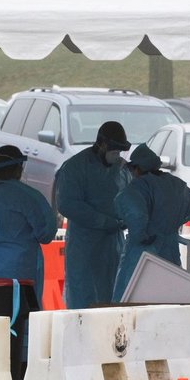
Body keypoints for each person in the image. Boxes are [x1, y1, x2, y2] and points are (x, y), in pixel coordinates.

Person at [111, 143, 190, 301]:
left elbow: (135, 213)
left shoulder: (138, 187)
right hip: (170, 255)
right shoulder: (177, 187)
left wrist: (140, 235)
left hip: (142, 255)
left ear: (137, 169)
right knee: (170, 302)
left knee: (132, 303)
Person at [0, 145, 57, 300]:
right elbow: (46, 233)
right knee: (19, 315)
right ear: (19, 168)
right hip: (18, 270)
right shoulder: (29, 197)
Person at [55, 121, 132, 308]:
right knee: (83, 296)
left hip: (113, 243)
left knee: (112, 294)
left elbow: (131, 197)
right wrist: (104, 221)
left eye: (119, 152)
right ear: (102, 144)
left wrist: (128, 218)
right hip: (84, 244)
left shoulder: (121, 168)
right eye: (114, 150)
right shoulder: (74, 167)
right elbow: (67, 204)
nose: (117, 155)